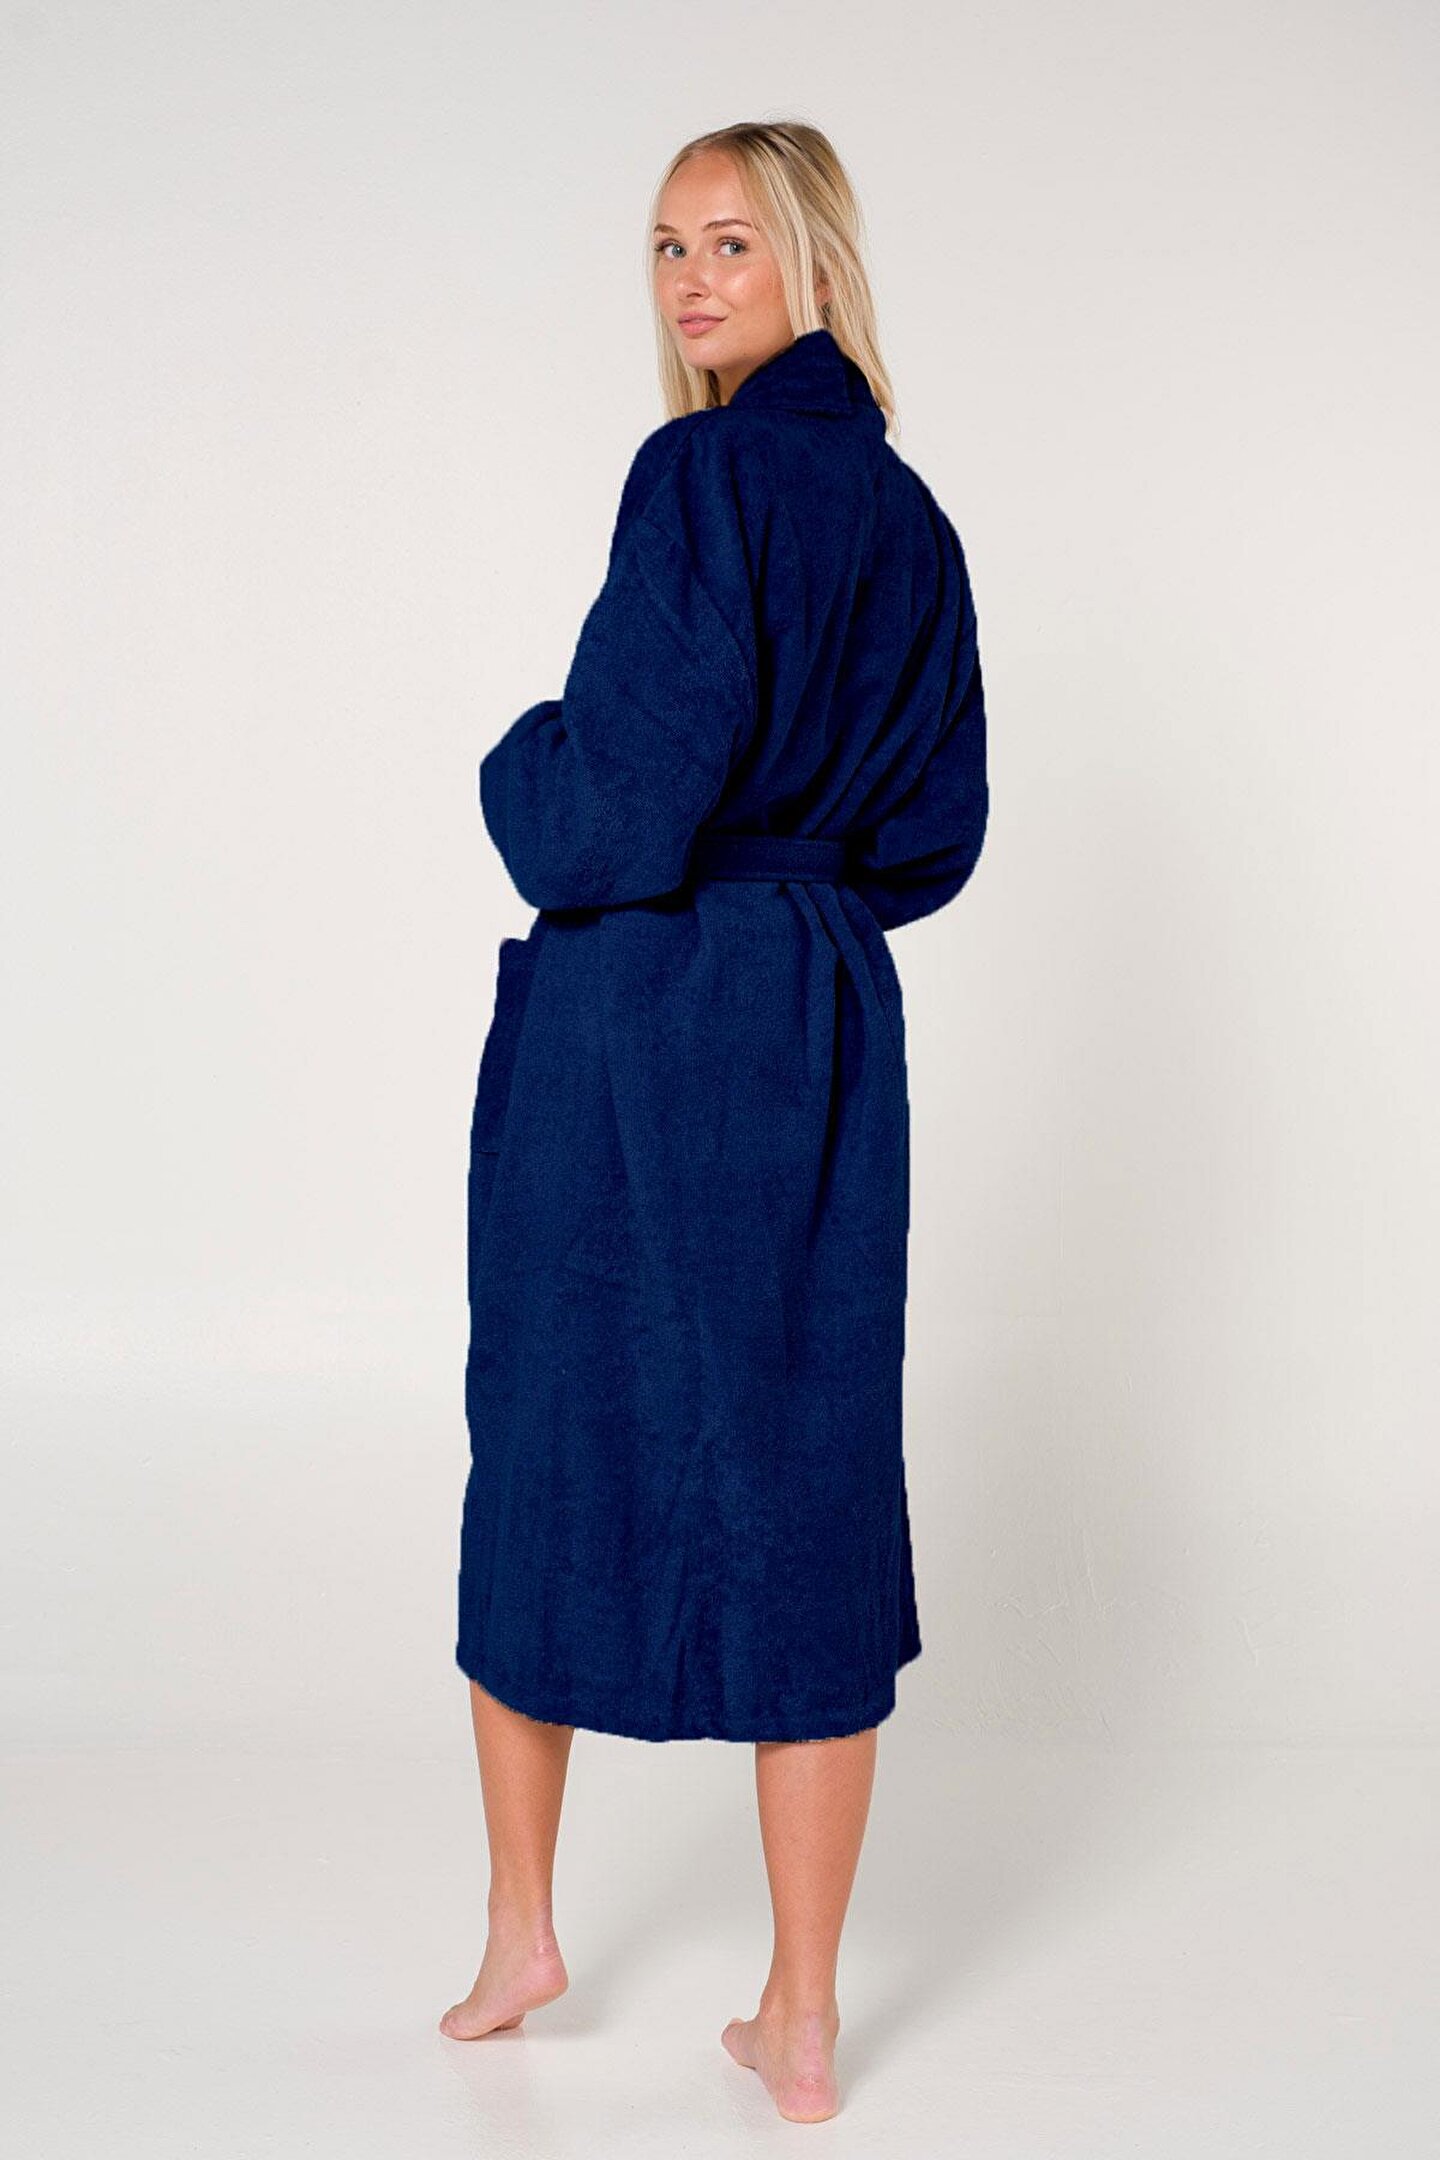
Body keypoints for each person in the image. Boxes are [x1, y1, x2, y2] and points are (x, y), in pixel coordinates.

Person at [441, 120, 989, 2123]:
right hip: (820, 1004)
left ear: (816, 265)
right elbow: (938, 830)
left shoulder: (700, 476)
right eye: (669, 249)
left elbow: (610, 803)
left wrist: (520, 766)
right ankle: (804, 2013)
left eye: (732, 244)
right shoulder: (912, 519)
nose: (691, 283)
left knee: (552, 1427)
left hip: (648, 1014)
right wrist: (804, 887)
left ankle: (522, 1930)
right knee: (804, 1455)